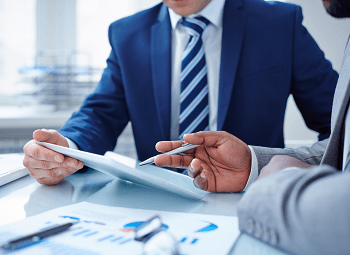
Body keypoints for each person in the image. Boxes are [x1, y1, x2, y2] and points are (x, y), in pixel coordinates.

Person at [23, 0, 338, 185]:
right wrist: (66, 146)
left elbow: (338, 120)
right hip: (158, 201)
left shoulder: (279, 23)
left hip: (254, 197)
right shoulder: (127, 33)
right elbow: (100, 113)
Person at [154, 1, 350, 253]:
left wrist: (270, 185)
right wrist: (254, 165)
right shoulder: (126, 31)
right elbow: (343, 145)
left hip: (256, 225)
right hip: (164, 209)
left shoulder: (279, 21)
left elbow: (330, 123)